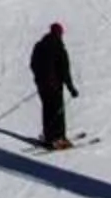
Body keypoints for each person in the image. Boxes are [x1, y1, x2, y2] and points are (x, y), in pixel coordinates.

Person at [30, 21, 79, 149]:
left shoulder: (39, 46)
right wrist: (71, 88)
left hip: (42, 85)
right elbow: (64, 71)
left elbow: (33, 64)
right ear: (59, 34)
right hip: (55, 86)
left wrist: (39, 79)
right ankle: (58, 138)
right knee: (58, 112)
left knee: (47, 110)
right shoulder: (59, 48)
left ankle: (48, 136)